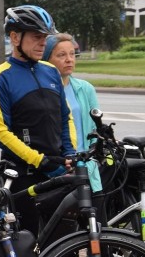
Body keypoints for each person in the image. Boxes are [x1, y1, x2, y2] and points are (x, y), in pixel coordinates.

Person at [0, 5, 76, 237]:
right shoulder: (0, 77)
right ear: (15, 37)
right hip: (23, 176)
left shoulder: (50, 71)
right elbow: (0, 133)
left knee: (65, 246)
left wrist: (70, 153)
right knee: (31, 247)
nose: (42, 43)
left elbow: (64, 117)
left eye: (45, 37)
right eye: (36, 37)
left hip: (57, 172)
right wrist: (39, 160)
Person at [41, 33, 102, 194]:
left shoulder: (85, 88)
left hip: (86, 166)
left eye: (72, 54)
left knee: (96, 216)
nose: (69, 59)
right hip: (59, 169)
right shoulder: (41, 91)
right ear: (46, 60)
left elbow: (96, 127)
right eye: (61, 55)